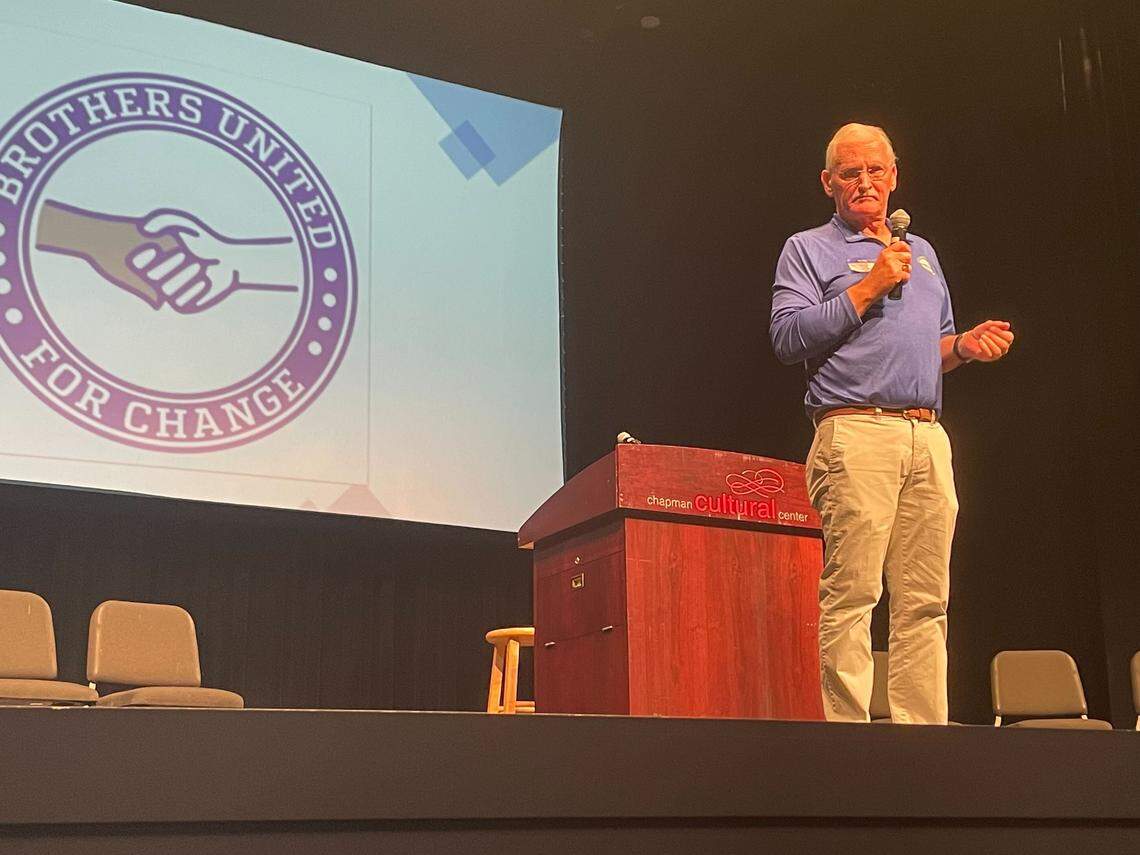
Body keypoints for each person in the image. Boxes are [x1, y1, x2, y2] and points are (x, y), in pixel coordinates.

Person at [769, 123, 1014, 724]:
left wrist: (964, 348)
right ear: (829, 183)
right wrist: (868, 287)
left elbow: (931, 345)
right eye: (850, 173)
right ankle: (852, 745)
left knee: (927, 604)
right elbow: (785, 337)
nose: (864, 183)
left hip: (927, 437)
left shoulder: (923, 254)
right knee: (854, 596)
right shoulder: (808, 249)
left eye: (875, 171)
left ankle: (921, 747)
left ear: (894, 177)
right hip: (855, 432)